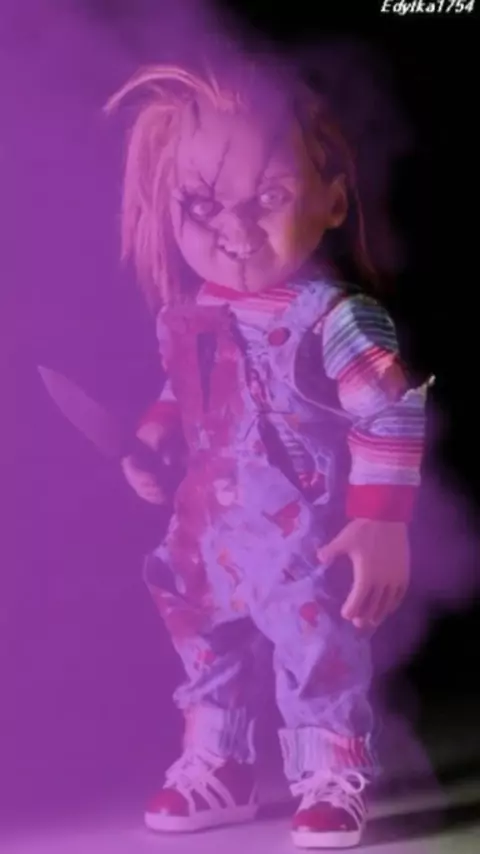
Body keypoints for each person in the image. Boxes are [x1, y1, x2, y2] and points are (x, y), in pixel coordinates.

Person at [107, 56, 426, 849]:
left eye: (270, 197)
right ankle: (220, 765)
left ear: (332, 201)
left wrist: (382, 519)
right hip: (206, 529)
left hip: (301, 532)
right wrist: (151, 443)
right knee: (204, 644)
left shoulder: (334, 318)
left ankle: (329, 773)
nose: (236, 230)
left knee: (315, 646)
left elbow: (389, 411)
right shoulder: (192, 312)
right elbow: (182, 393)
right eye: (202, 204)